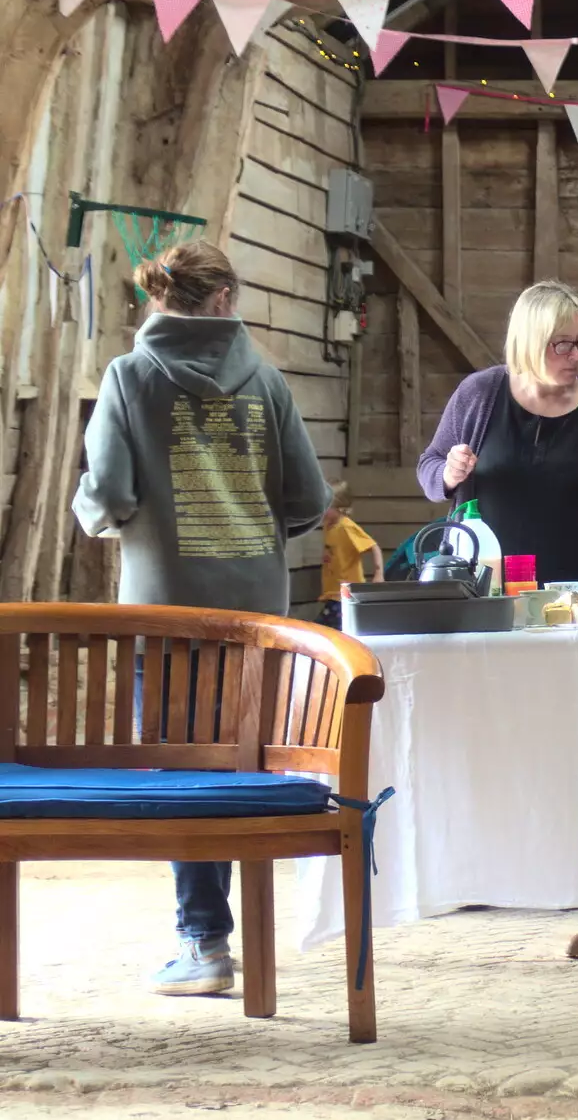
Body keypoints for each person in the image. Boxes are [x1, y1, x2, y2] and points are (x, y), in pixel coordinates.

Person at [72, 241, 329, 995]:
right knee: (238, 767)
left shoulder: (128, 377)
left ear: (162, 300)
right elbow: (308, 500)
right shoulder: (269, 381)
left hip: (167, 616)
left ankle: (205, 942)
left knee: (184, 771)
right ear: (225, 298)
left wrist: (96, 506)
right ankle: (242, 941)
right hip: (256, 615)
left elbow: (110, 496)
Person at [416, 280, 578, 584]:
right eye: (563, 344)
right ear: (529, 343)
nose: (577, 355)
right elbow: (429, 465)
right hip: (482, 590)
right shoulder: (478, 394)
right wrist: (448, 473)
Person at [317, 480, 384, 630]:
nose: (322, 510)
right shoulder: (329, 525)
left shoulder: (346, 526)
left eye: (326, 507)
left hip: (346, 593)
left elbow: (373, 546)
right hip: (333, 592)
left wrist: (378, 573)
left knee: (324, 629)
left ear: (339, 507)